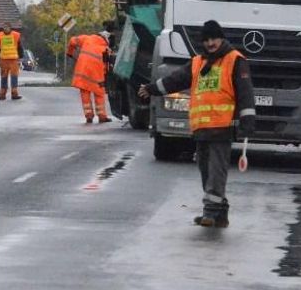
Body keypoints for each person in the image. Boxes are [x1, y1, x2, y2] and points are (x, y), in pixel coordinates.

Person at [137, 20, 256, 228]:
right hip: (201, 128)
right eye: (206, 40)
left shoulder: (235, 60)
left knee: (216, 170)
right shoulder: (197, 63)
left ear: (221, 38)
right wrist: (151, 89)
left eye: (214, 39)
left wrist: (247, 121)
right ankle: (220, 212)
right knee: (204, 169)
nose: (210, 43)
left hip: (223, 126)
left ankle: (210, 211)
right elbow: (175, 80)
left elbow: (245, 93)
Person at [67, 30, 112, 123]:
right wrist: (105, 77)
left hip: (83, 72)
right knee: (99, 94)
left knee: (85, 93)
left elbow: (72, 40)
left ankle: (89, 116)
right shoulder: (106, 49)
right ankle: (102, 116)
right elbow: (106, 65)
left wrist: (70, 53)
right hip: (97, 74)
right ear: (106, 39)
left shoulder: (87, 38)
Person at [0, 22, 23, 101]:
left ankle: (14, 93)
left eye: (7, 27)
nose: (5, 28)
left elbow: (20, 47)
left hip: (13, 60)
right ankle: (2, 95)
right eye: (4, 27)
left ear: (10, 28)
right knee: (4, 77)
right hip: (3, 60)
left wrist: (20, 57)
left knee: (14, 77)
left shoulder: (15, 35)